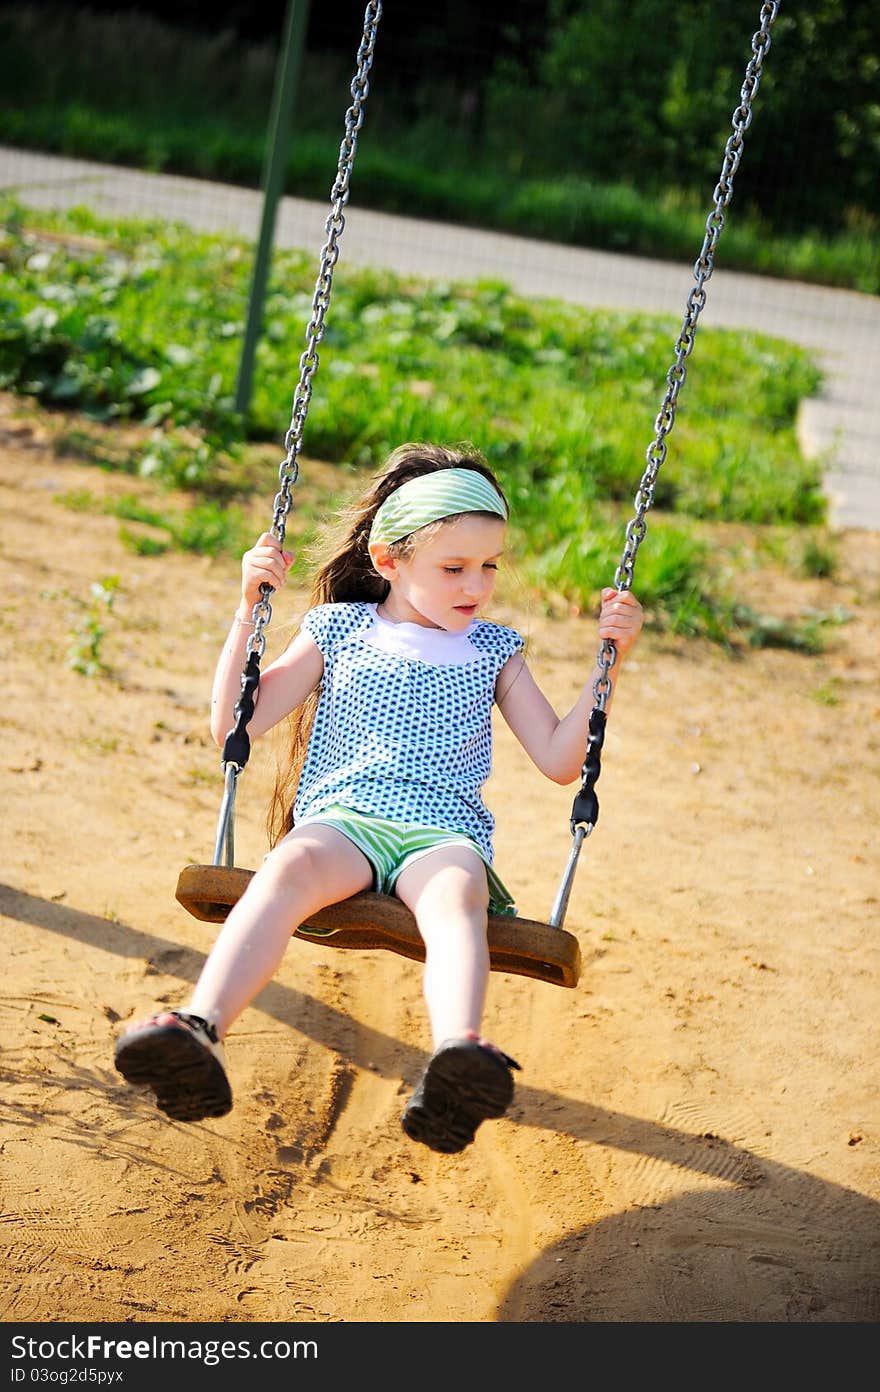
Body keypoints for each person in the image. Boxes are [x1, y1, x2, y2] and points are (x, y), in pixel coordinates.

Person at [114, 443, 644, 1154]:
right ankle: (199, 1029)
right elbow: (235, 723)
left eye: (488, 567)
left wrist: (609, 665)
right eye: (453, 569)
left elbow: (557, 758)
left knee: (458, 897)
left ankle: (460, 1056)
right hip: (346, 823)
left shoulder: (495, 651)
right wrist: (249, 609)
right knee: (288, 871)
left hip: (441, 833)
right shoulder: (339, 630)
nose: (476, 586)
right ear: (389, 561)